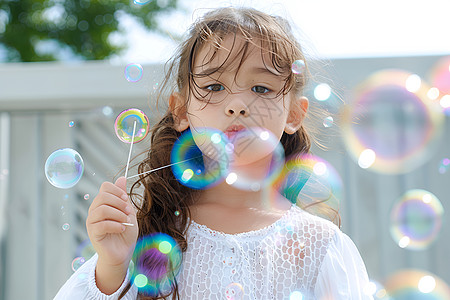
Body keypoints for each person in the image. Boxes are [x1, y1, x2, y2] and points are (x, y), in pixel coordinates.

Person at [55, 6, 373, 300]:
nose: (236, 105)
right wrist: (112, 267)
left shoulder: (318, 244)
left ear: (293, 115)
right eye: (213, 87)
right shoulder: (145, 231)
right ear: (180, 111)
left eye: (261, 88)